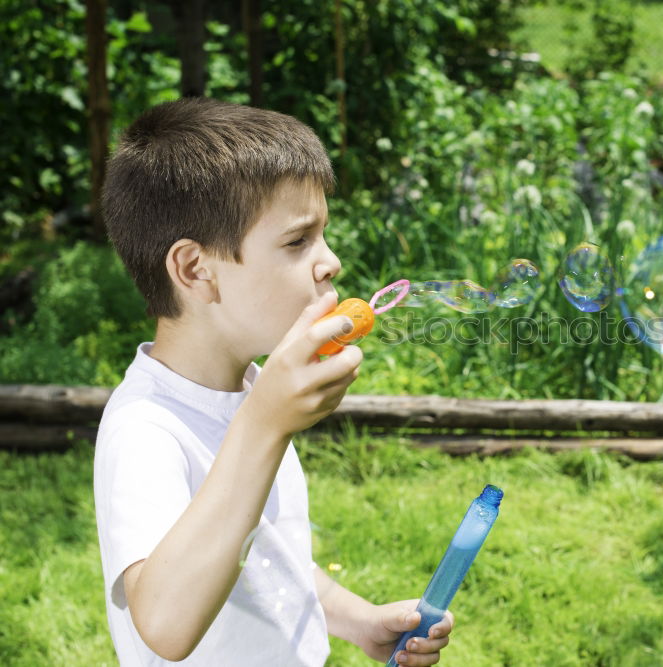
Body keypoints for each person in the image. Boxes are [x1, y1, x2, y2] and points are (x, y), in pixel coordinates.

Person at [93, 97, 452, 666]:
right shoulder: (146, 429)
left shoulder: (249, 390)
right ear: (195, 270)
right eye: (297, 241)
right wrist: (264, 424)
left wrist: (359, 619)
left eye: (323, 235)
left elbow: (264, 556)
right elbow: (162, 624)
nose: (330, 262)